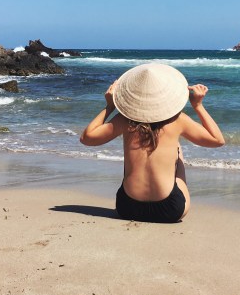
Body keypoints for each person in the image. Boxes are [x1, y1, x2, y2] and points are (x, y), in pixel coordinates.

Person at [80, 63, 224, 222]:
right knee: (177, 150)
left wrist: (109, 106)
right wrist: (198, 105)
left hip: (127, 208)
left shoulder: (124, 120)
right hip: (170, 209)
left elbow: (86, 138)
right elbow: (217, 140)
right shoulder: (178, 120)